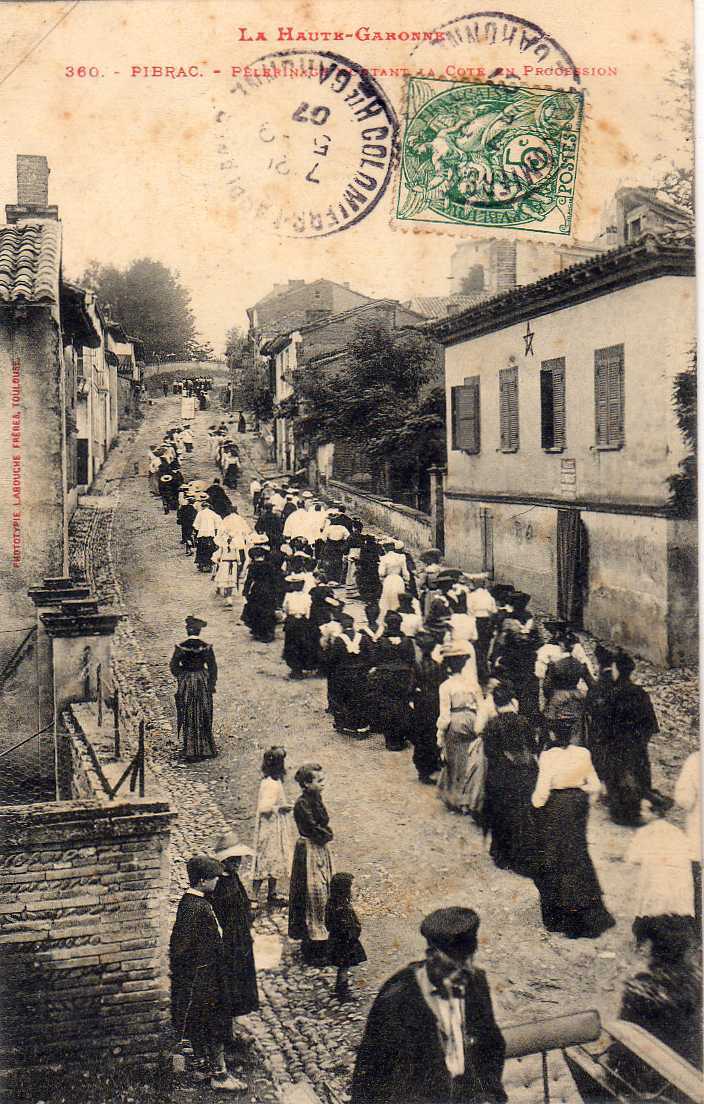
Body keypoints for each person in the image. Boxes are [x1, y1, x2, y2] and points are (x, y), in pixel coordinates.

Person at [351, 907, 506, 1104]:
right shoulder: (397, 997)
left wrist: (489, 1095)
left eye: (470, 959)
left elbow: (492, 1045)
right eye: (456, 964)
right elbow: (370, 1076)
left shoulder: (476, 983)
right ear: (432, 956)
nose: (467, 970)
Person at [531, 721, 614, 938]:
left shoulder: (548, 756)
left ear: (552, 733)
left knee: (555, 856)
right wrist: (578, 790)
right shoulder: (583, 753)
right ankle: (589, 909)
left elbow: (541, 794)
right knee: (577, 853)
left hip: (557, 806)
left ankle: (563, 914)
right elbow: (595, 785)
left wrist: (535, 806)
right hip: (578, 804)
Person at [170, 855, 245, 1092]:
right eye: (214, 878)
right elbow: (181, 948)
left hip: (205, 976)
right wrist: (204, 966)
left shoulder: (193, 901)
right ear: (202, 881)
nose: (217, 882)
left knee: (205, 1025)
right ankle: (219, 1076)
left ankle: (203, 1067)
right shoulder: (197, 907)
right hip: (205, 979)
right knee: (215, 1024)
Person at [615, 914, 702, 1078]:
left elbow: (622, 1043)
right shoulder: (696, 984)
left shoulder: (639, 990)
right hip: (689, 1077)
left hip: (650, 1082)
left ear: (653, 950)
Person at [482, 683, 538, 877]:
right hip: (525, 773)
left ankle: (502, 854)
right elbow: (533, 746)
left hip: (501, 776)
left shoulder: (492, 725)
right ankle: (521, 853)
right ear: (513, 701)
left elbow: (488, 753)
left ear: (496, 704)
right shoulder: (524, 721)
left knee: (501, 814)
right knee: (523, 813)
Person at [211, 833, 259, 1052]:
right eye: (234, 859)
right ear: (225, 861)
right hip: (229, 944)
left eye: (239, 859)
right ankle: (225, 1037)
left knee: (237, 986)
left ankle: (229, 1032)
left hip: (240, 940)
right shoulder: (219, 883)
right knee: (228, 988)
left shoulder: (232, 877)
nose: (238, 863)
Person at [605, 650, 660, 826]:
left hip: (618, 746)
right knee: (638, 774)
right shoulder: (640, 693)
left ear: (618, 670)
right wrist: (640, 740)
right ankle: (638, 806)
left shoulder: (612, 694)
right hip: (637, 745)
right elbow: (651, 724)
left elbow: (605, 725)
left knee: (621, 775)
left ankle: (623, 812)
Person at [288, 763, 334, 965]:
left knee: (324, 890)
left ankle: (321, 939)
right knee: (312, 892)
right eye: (319, 781)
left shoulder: (316, 798)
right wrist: (326, 834)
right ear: (307, 784)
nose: (323, 784)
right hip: (308, 850)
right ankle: (312, 945)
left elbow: (323, 820)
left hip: (319, 849)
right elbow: (315, 828)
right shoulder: (301, 804)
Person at [436, 644, 485, 819]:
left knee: (454, 761)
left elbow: (445, 715)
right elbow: (482, 708)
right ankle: (468, 800)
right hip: (471, 721)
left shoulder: (446, 686)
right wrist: (479, 727)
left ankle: (455, 799)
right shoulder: (473, 684)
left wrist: (440, 735)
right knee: (470, 760)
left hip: (455, 722)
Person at [626, 799, 694, 922]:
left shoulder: (644, 832)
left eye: (644, 810)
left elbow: (633, 858)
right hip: (675, 892)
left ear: (655, 813)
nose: (641, 813)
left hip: (653, 885)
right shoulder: (676, 831)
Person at [252, 747, 295, 909]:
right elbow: (264, 808)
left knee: (275, 859)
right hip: (269, 828)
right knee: (264, 859)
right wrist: (281, 808)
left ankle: (272, 893)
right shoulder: (270, 784)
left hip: (275, 827)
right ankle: (254, 897)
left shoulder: (272, 781)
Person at [170, 616, 218, 762]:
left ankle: (190, 749)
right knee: (204, 711)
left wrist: (182, 677)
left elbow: (173, 665)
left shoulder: (181, 646)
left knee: (188, 711)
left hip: (187, 681)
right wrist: (210, 684)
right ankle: (206, 748)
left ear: (187, 630)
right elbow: (213, 667)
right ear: (199, 631)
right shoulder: (206, 646)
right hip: (201, 680)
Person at [367, 611, 415, 751]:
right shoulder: (407, 641)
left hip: (385, 678)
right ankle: (400, 738)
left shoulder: (382, 642)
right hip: (402, 678)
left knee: (387, 706)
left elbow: (374, 659)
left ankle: (390, 739)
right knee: (402, 705)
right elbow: (411, 660)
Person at [325, 872, 366, 1003]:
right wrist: (355, 931)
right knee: (344, 966)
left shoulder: (333, 903)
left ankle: (340, 987)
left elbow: (329, 924)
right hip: (345, 942)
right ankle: (342, 991)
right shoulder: (343, 908)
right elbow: (349, 926)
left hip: (337, 940)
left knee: (343, 966)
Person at [410, 630, 444, 784]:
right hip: (434, 701)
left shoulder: (417, 666)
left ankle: (423, 770)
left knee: (422, 734)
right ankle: (434, 763)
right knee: (433, 733)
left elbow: (411, 687)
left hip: (421, 702)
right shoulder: (437, 666)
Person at [675, 749, 701, 925]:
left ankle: (698, 921)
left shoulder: (696, 760)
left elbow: (684, 799)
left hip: (699, 831)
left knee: (697, 878)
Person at [241, 547, 277, 643]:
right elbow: (274, 579)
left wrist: (245, 591)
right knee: (268, 610)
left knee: (257, 610)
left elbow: (249, 580)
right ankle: (268, 632)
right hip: (268, 589)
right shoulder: (270, 565)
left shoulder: (252, 566)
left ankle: (258, 631)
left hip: (257, 590)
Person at [282, 576, 314, 678]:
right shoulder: (307, 597)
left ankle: (294, 668)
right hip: (303, 621)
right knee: (302, 644)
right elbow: (309, 611)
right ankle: (300, 667)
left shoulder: (288, 596)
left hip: (292, 621)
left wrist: (287, 617)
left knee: (291, 644)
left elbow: (285, 608)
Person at [193, 500, 221, 573]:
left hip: (202, 535)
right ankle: (209, 564)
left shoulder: (200, 513)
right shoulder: (213, 514)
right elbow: (217, 525)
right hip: (211, 535)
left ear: (203, 507)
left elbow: (196, 525)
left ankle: (202, 564)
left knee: (201, 550)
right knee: (210, 550)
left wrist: (197, 532)